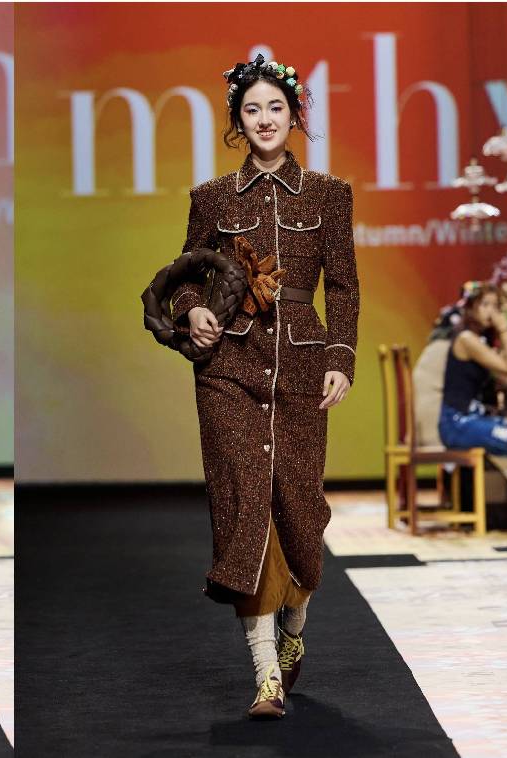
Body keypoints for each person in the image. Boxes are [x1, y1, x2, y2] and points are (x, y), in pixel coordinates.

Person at [155, 54, 358, 720]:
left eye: (275, 107)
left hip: (300, 364)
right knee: (242, 503)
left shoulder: (328, 194)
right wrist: (193, 311)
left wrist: (341, 356)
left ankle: (294, 626)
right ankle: (265, 672)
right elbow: (187, 276)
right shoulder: (212, 197)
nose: (265, 119)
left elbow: (343, 286)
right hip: (228, 367)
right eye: (252, 109)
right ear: (236, 121)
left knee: (300, 512)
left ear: (293, 114)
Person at [437, 283, 507, 456]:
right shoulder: (467, 339)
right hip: (456, 423)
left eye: (495, 306)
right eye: (485, 304)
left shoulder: (482, 341)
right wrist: (504, 329)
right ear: (471, 308)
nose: (491, 311)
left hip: (475, 418)